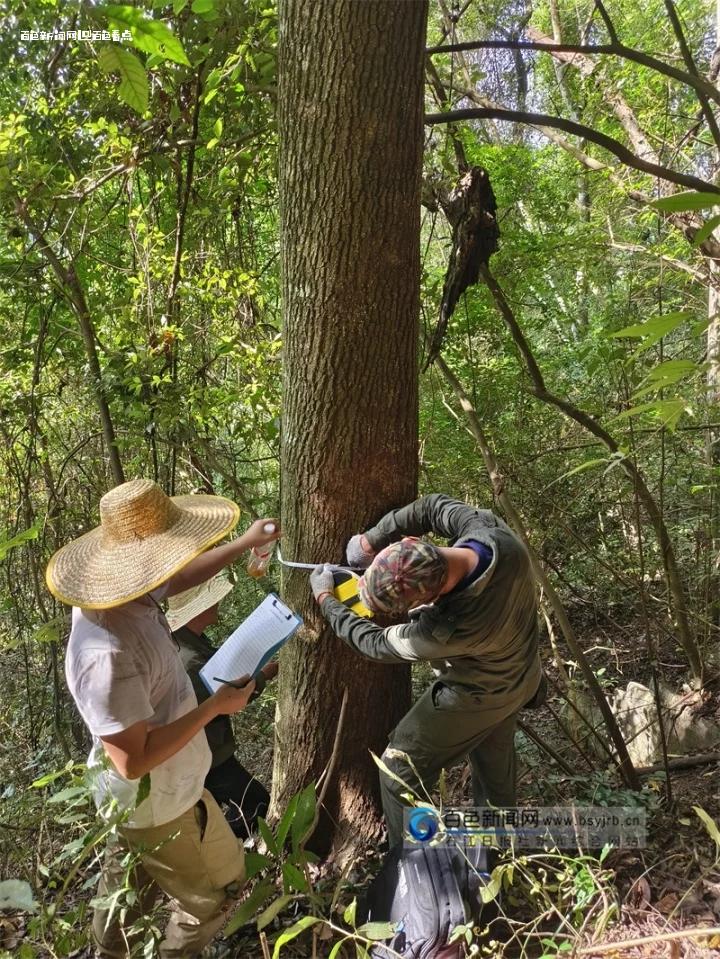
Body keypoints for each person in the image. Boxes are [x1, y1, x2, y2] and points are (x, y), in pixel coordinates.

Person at [46, 477, 279, 958]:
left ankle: (106, 951)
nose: (170, 570)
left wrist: (245, 543)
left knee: (128, 891)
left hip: (156, 797)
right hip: (155, 802)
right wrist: (216, 706)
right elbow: (133, 761)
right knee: (214, 899)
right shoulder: (106, 653)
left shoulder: (132, 595)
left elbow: (176, 579)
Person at [310, 493, 543, 849]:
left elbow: (375, 644)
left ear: (422, 603)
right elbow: (431, 507)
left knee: (398, 771)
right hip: (520, 673)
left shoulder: (451, 627)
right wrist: (371, 539)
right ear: (411, 541)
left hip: (479, 695)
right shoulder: (491, 536)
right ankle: (501, 859)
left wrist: (326, 600)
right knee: (495, 778)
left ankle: (418, 865)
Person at [167, 575, 277, 839]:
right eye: (212, 599)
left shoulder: (185, 642)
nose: (218, 603)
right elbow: (225, 699)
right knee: (257, 803)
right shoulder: (190, 660)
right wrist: (265, 674)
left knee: (212, 810)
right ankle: (222, 847)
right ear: (199, 609)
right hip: (206, 757)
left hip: (203, 754)